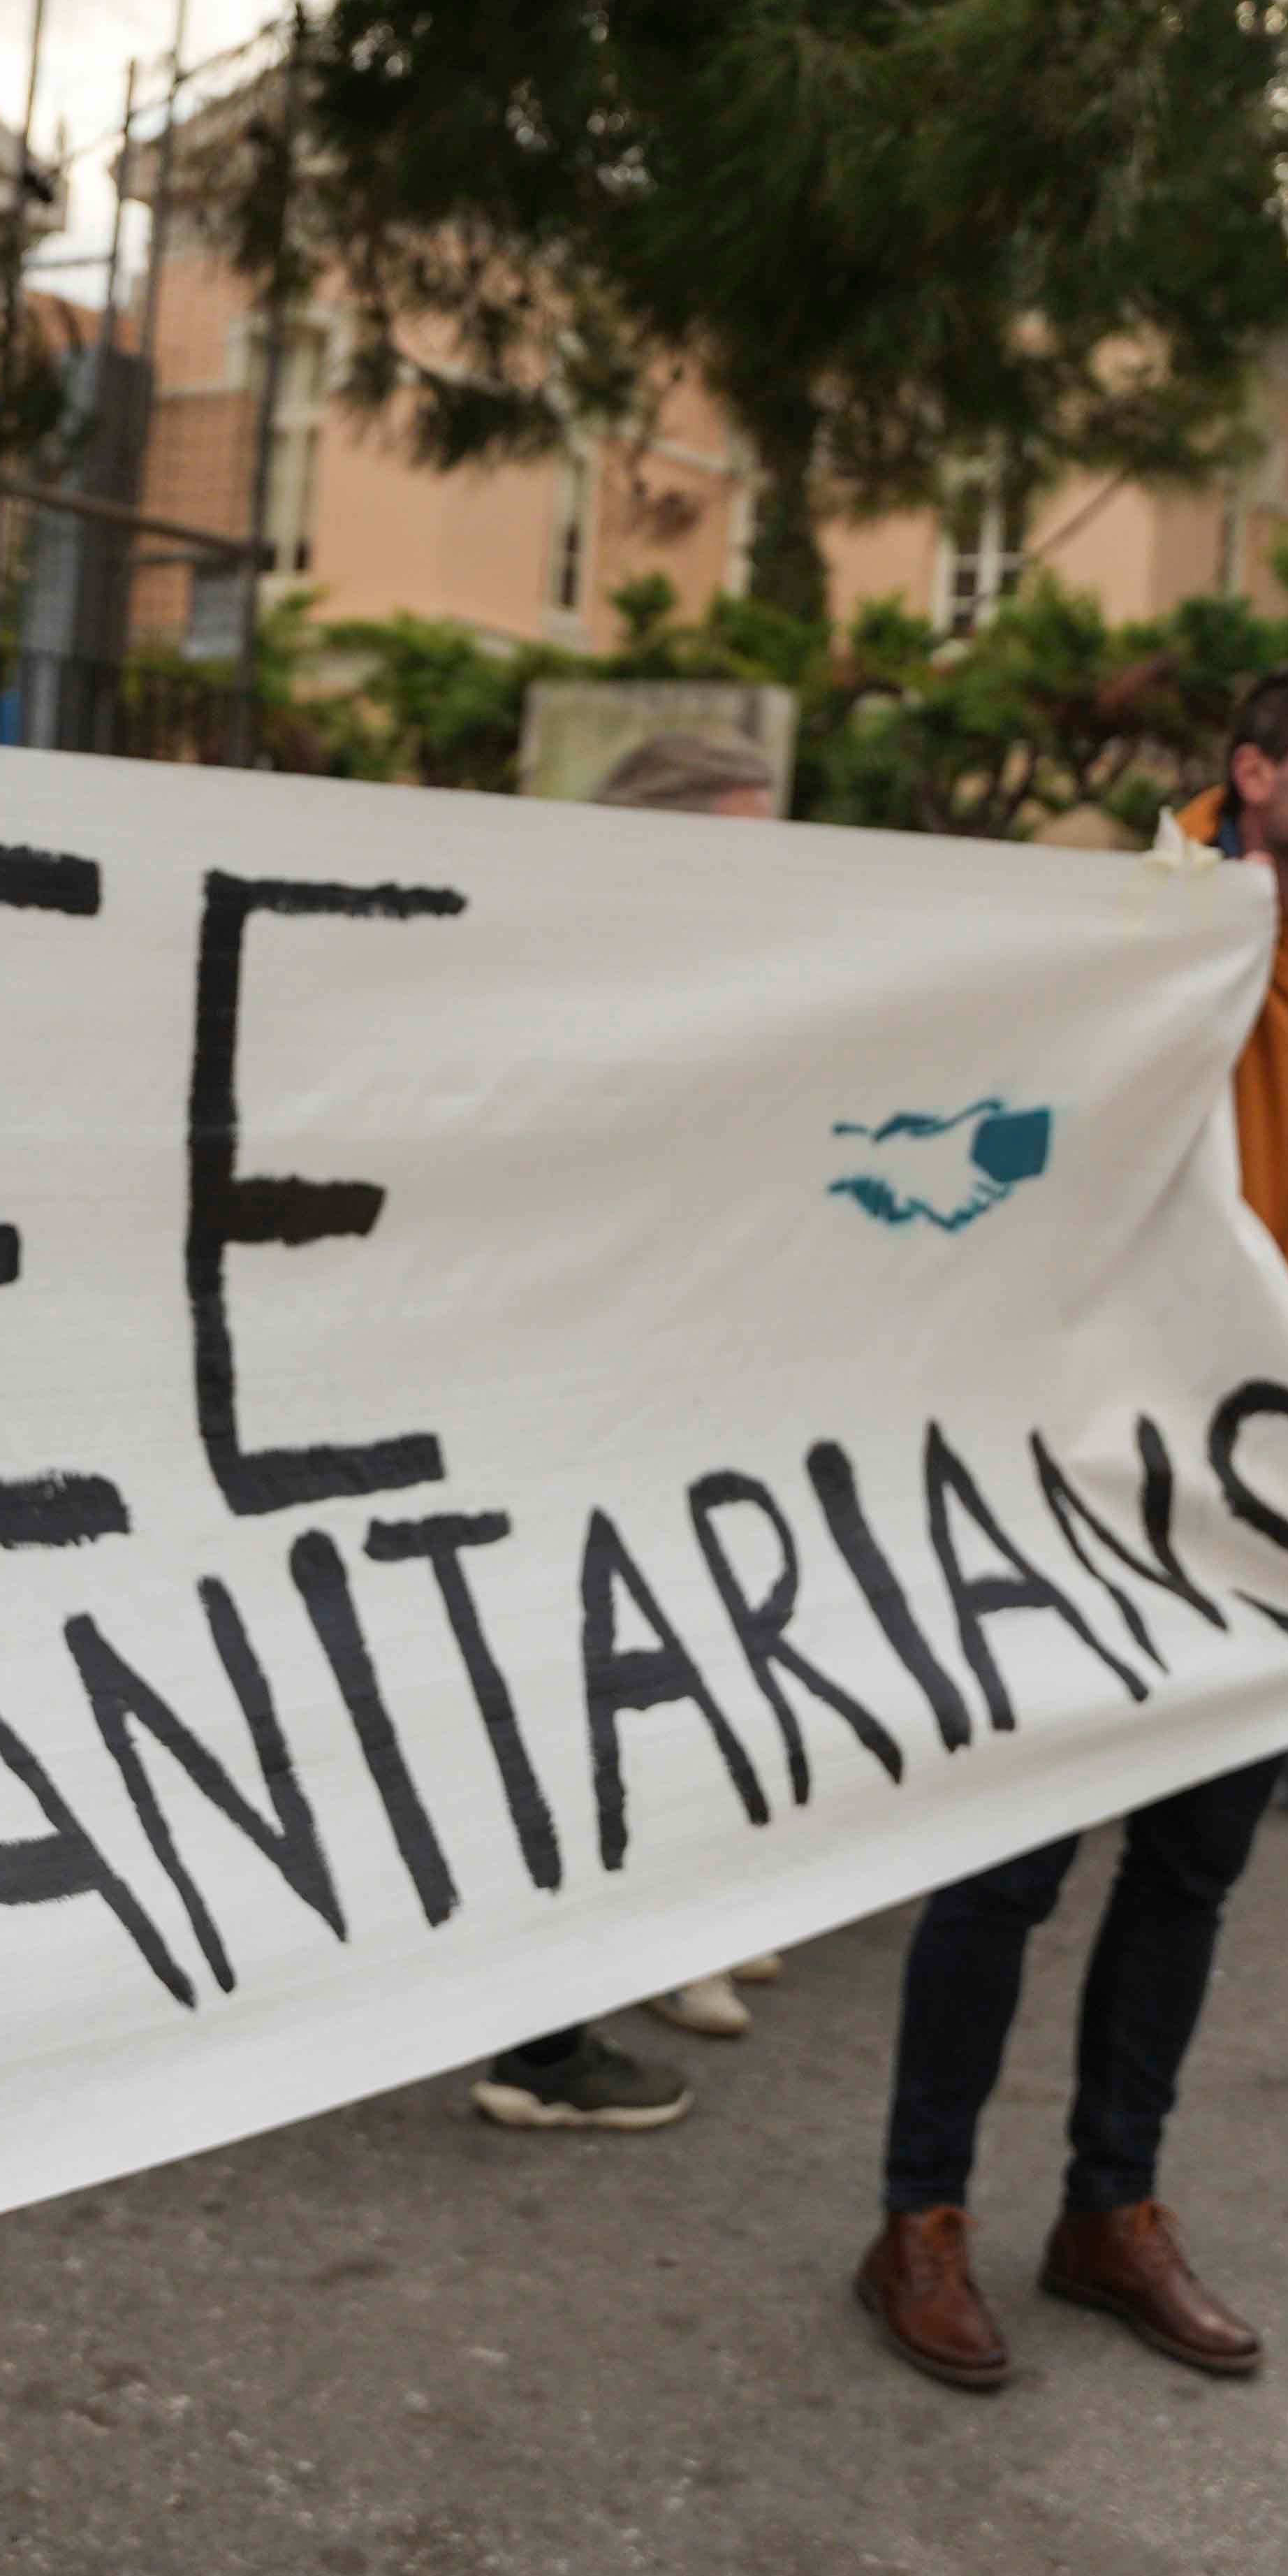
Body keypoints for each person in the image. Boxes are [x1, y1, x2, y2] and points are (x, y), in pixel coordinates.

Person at [853, 653, 1288, 2394]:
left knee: (1191, 1878)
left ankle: (1107, 2210)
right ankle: (920, 2218)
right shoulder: (1125, 945)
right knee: (1006, 1869)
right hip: (1080, 1498)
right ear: (1253, 772)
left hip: (1276, 1530)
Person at [475, 721, 789, 2123]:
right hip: (568, 1408)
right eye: (740, 846)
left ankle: (636, 1958)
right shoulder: (576, 994)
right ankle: (540, 2045)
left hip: (657, 1396)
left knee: (640, 1687)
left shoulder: (694, 989)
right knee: (578, 1705)